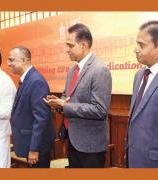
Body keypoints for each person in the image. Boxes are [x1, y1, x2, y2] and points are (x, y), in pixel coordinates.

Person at [46, 23, 112, 168]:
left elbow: (100, 110)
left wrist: (66, 106)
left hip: (91, 146)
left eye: (70, 45)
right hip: (73, 140)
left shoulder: (99, 70)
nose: (66, 50)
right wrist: (58, 102)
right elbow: (67, 96)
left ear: (83, 45)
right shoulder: (73, 70)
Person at [7, 46, 55, 168]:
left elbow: (41, 119)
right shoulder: (26, 79)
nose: (8, 63)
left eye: (11, 60)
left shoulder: (36, 81)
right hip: (29, 143)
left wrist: (34, 149)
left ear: (24, 60)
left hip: (36, 147)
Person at [127, 21, 158, 168]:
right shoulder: (139, 75)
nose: (135, 49)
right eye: (136, 44)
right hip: (133, 158)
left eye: (142, 45)